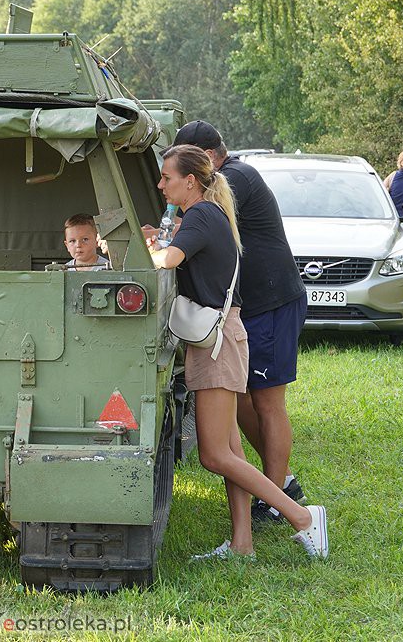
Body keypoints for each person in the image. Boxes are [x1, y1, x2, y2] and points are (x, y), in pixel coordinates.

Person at [149, 144, 327, 560]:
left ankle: (302, 516)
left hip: (217, 345)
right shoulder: (205, 214)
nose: (161, 185)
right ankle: (242, 542)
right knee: (230, 451)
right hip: (216, 341)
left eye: (166, 177)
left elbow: (168, 260)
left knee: (213, 455)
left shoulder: (201, 216)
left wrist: (124, 248)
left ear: (189, 181)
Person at [167, 122, 308, 525]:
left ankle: (277, 497)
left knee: (267, 402)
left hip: (272, 302)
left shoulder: (236, 178)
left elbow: (199, 229)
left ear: (207, 159)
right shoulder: (222, 184)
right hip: (246, 308)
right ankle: (272, 487)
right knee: (240, 402)